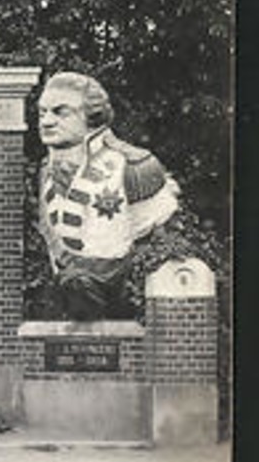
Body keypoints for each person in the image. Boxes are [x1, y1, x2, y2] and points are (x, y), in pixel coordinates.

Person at [35, 71, 180, 321]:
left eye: (61, 112)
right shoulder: (45, 171)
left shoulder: (136, 166)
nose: (46, 121)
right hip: (68, 289)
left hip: (117, 292)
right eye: (42, 112)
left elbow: (154, 235)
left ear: (93, 117)